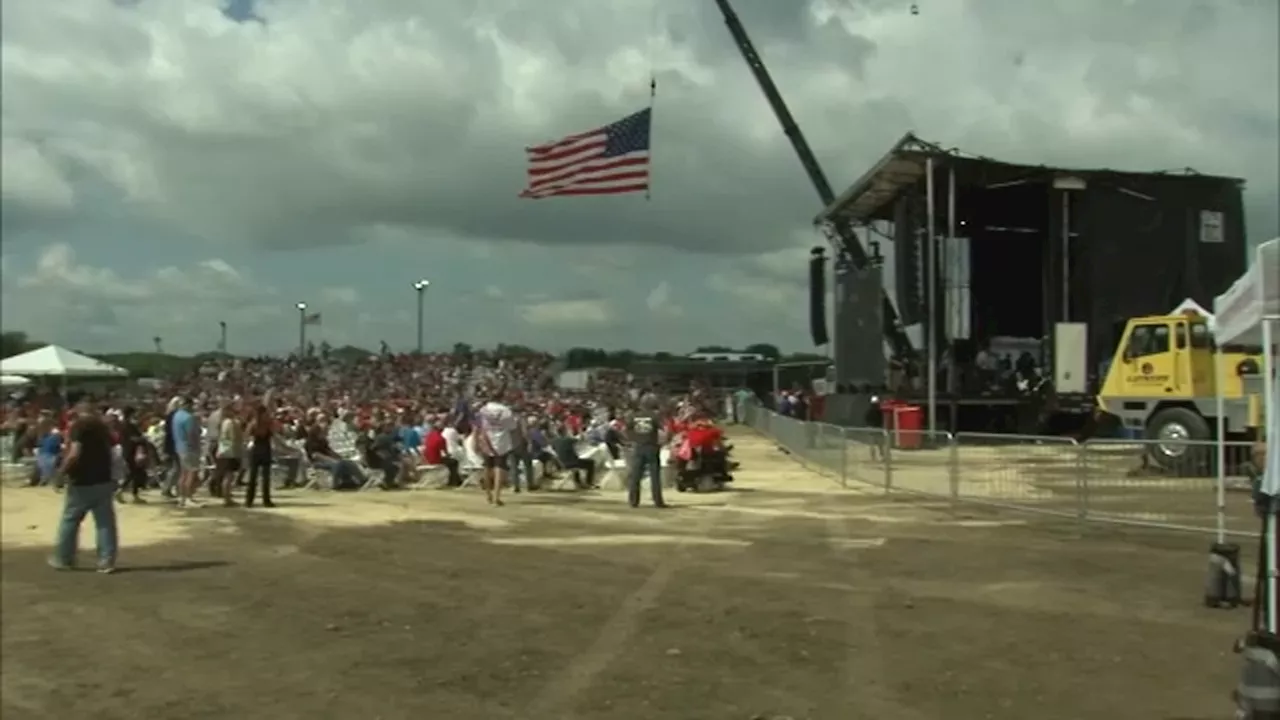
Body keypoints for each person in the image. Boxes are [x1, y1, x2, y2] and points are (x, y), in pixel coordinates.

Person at [50, 401, 119, 573]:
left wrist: (60, 473)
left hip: (82, 480)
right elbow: (114, 450)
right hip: (104, 478)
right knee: (105, 523)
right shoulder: (102, 428)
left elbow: (74, 453)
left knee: (70, 520)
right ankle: (106, 561)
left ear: (78, 412)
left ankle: (64, 558)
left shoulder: (79, 427)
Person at [476, 389, 517, 506]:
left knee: (487, 467)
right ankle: (496, 497)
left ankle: (488, 494)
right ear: (502, 398)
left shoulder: (483, 409)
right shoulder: (506, 410)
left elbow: (479, 426)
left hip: (486, 440)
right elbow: (512, 427)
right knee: (499, 468)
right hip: (501, 441)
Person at [626, 394, 668, 509]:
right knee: (655, 476)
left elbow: (627, 429)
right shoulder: (654, 416)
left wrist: (632, 440)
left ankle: (633, 501)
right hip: (652, 447)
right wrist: (662, 443)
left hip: (638, 447)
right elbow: (664, 430)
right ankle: (658, 501)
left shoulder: (633, 415)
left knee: (635, 475)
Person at [170, 396, 203, 509]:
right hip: (190, 448)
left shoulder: (176, 416)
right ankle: (188, 498)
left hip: (179, 447)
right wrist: (196, 447)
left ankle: (181, 497)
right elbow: (191, 434)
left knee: (183, 474)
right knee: (191, 473)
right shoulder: (189, 418)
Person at [245, 402, 276, 508]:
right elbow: (273, 433)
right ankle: (266, 500)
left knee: (253, 476)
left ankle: (249, 500)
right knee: (265, 477)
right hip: (265, 449)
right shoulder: (267, 423)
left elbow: (247, 436)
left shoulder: (253, 423)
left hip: (255, 450)